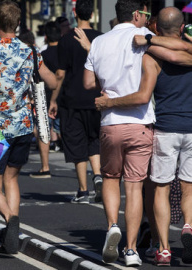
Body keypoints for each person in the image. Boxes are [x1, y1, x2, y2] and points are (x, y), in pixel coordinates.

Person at [95, 6, 192, 267]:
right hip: (184, 128)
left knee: (154, 187)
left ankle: (160, 248)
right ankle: (188, 226)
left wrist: (149, 40)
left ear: (157, 28)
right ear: (183, 28)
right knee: (185, 187)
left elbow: (141, 94)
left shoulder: (150, 54)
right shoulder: (181, 50)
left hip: (161, 127)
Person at [0, 0, 57, 254]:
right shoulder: (31, 51)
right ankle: (12, 236)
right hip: (23, 126)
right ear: (18, 23)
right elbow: (51, 80)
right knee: (12, 179)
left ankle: (11, 222)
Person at [84, 0, 154, 266]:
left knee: (111, 177)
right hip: (140, 121)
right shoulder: (147, 38)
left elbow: (88, 82)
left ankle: (113, 225)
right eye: (146, 14)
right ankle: (132, 249)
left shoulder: (99, 42)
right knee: (135, 187)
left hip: (110, 122)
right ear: (137, 14)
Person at [49, 0, 102, 204]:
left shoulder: (67, 39)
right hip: (95, 96)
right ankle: (97, 174)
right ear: (91, 14)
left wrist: (54, 99)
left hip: (72, 98)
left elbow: (61, 73)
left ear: (75, 12)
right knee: (94, 139)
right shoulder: (100, 37)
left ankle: (82, 190)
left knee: (76, 143)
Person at [29, 21, 62, 179]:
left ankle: (45, 166)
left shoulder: (44, 55)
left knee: (43, 130)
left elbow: (43, 77)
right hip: (67, 96)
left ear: (46, 37)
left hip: (47, 96)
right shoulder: (65, 52)